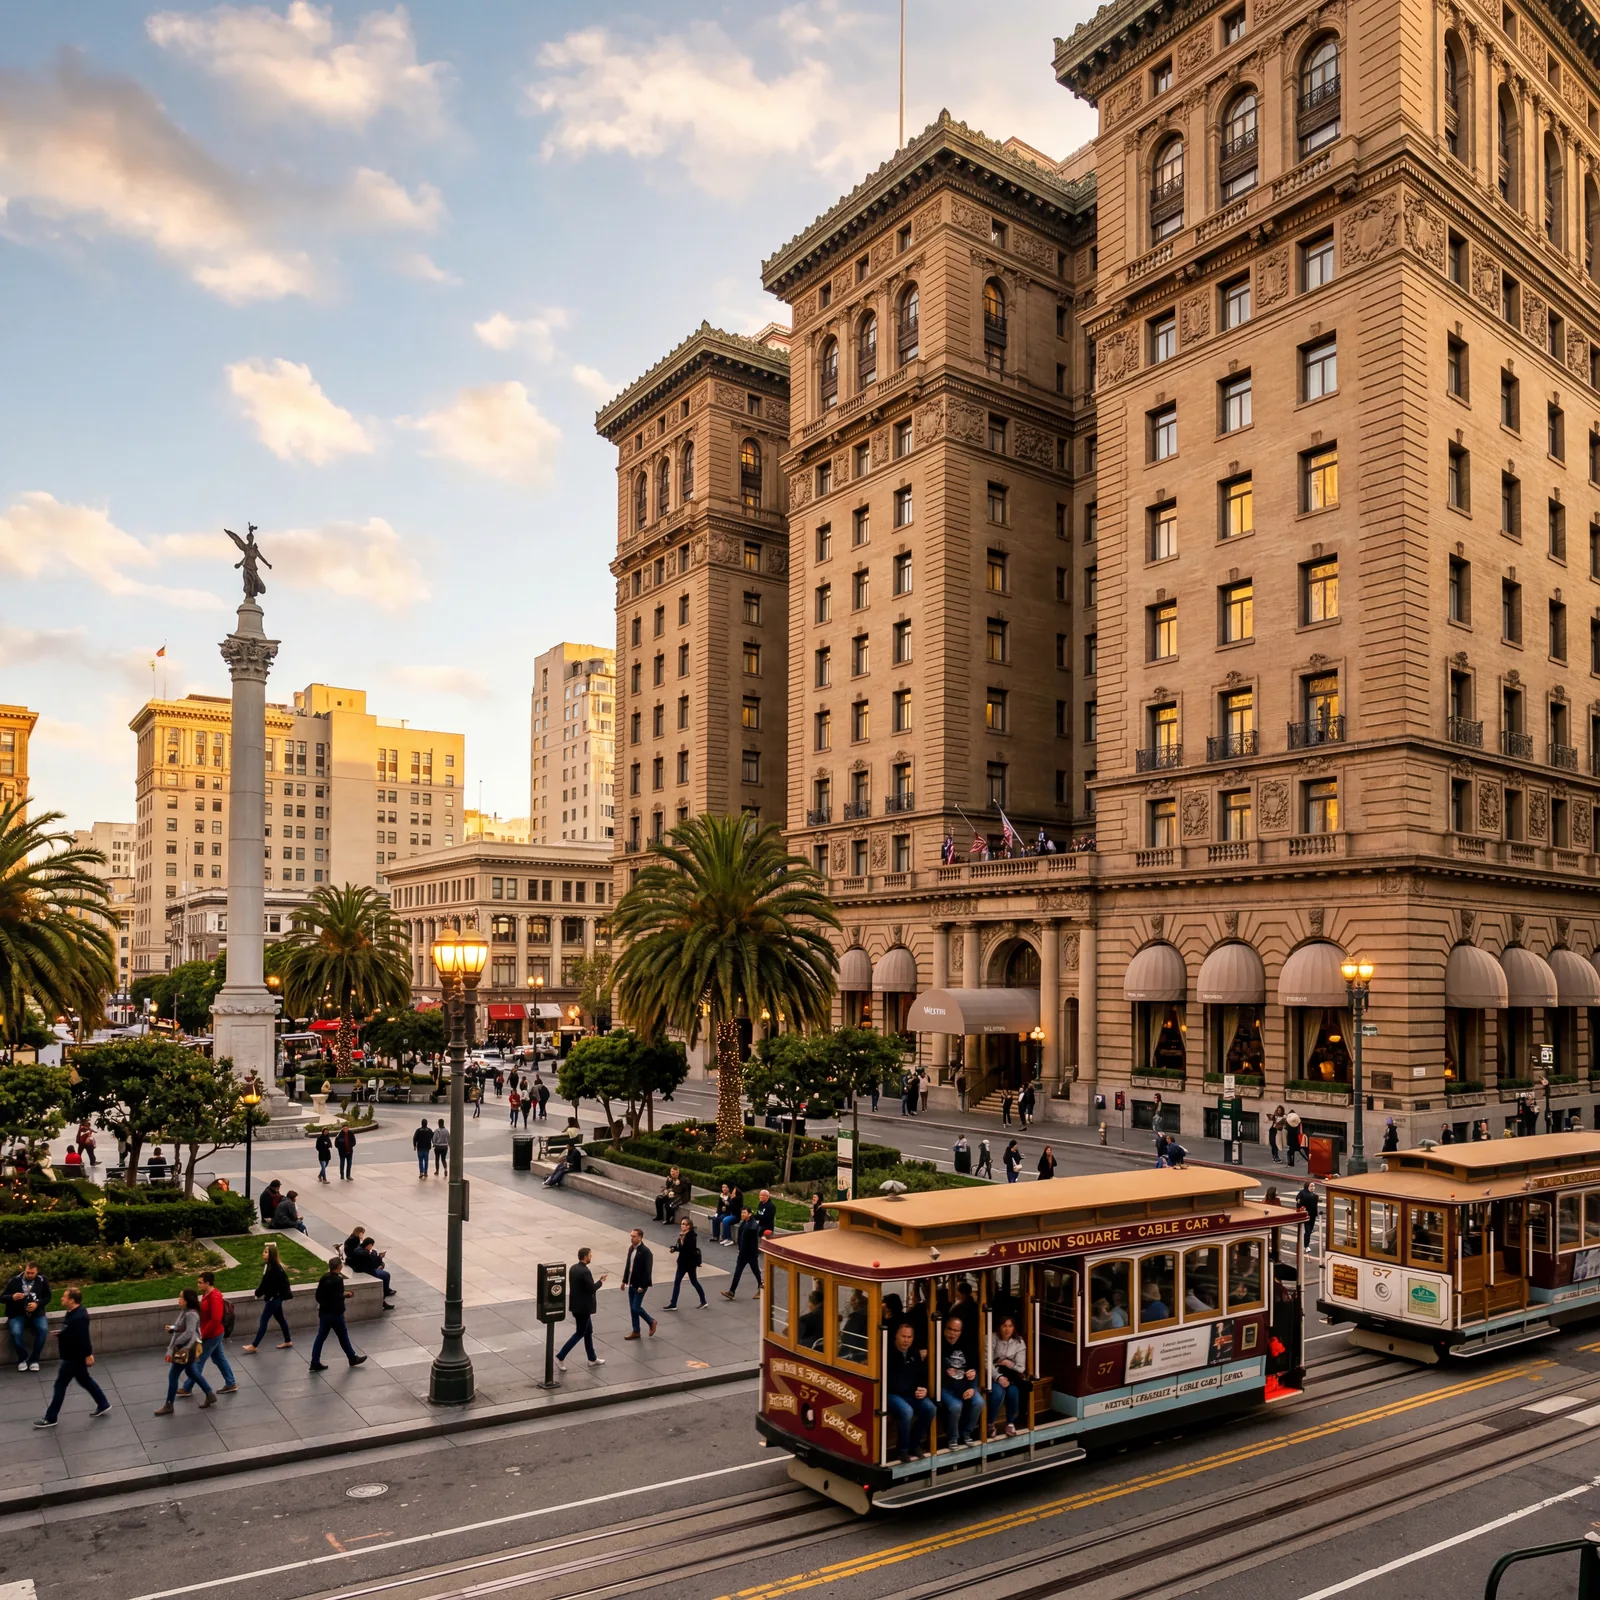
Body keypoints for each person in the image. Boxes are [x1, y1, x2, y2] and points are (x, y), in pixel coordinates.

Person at [33, 1287, 110, 1428]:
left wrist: (88, 1355)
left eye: (64, 1296)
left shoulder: (79, 1317)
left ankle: (51, 1417)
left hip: (73, 1357)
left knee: (60, 1384)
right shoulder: (72, 1312)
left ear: (72, 1300)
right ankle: (103, 1403)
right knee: (84, 1379)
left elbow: (84, 1339)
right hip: (73, 1355)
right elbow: (73, 1333)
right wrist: (62, 1334)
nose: (61, 1298)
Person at [152, 1288, 213, 1415]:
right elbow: (182, 1327)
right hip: (188, 1349)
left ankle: (169, 1405)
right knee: (192, 1372)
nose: (179, 1299)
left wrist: (176, 1344)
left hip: (185, 1349)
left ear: (188, 1300)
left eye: (181, 1297)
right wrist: (173, 1328)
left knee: (173, 1375)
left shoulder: (190, 1314)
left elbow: (189, 1332)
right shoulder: (186, 1312)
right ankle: (209, 1394)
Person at [178, 1270, 237, 1397]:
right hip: (212, 1333)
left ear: (207, 1283)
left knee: (198, 1362)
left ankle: (187, 1387)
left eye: (200, 1283)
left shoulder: (215, 1297)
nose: (198, 1285)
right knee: (219, 1359)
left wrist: (203, 1335)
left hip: (212, 1335)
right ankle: (231, 1383)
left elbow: (215, 1319)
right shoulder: (207, 1294)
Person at [886, 1322, 935, 1460]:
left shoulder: (914, 1352)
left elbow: (921, 1374)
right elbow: (889, 1381)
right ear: (896, 1336)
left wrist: (923, 1389)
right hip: (892, 1394)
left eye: (909, 1337)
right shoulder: (887, 1351)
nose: (906, 1340)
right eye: (903, 1336)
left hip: (911, 1394)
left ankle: (915, 1445)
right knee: (907, 1411)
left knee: (930, 1408)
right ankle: (902, 1449)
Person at [309, 1257, 367, 1371]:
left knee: (320, 1337)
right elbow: (338, 1297)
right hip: (335, 1314)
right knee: (343, 1336)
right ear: (339, 1267)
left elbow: (319, 1296)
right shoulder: (338, 1280)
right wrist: (347, 1295)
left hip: (324, 1313)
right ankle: (352, 1358)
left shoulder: (324, 1278)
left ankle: (314, 1361)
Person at [556, 1247, 606, 1369]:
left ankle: (592, 1358)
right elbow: (592, 1288)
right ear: (585, 1257)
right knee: (580, 1333)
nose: (591, 1257)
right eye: (590, 1255)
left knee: (588, 1331)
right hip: (584, 1308)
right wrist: (601, 1281)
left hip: (576, 1306)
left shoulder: (573, 1268)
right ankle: (560, 1356)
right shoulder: (585, 1271)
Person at [938, 1316, 983, 1448]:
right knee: (956, 1406)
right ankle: (953, 1438)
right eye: (950, 1329)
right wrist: (945, 1373)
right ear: (945, 1329)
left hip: (965, 1385)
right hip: (946, 1387)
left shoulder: (967, 1345)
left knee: (979, 1402)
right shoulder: (938, 1344)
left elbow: (974, 1370)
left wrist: (972, 1388)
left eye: (956, 1331)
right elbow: (935, 1372)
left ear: (961, 1332)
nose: (952, 1333)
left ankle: (967, 1434)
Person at [242, 1241, 294, 1353]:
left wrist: (258, 1293)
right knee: (280, 1319)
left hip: (273, 1299)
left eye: (265, 1252)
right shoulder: (273, 1267)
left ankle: (254, 1345)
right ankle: (288, 1340)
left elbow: (265, 1284)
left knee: (264, 1321)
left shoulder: (273, 1269)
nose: (263, 1254)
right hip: (277, 1298)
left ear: (271, 1254)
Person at [988, 1314, 1028, 1437]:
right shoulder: (991, 1338)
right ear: (999, 1327)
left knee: (1013, 1392)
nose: (1007, 1329)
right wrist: (998, 1377)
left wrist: (1007, 1363)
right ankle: (989, 1424)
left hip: (1011, 1375)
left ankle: (1010, 1424)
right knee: (997, 1393)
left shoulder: (1019, 1342)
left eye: (1010, 1326)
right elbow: (987, 1362)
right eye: (1004, 1326)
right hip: (993, 1374)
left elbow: (1021, 1368)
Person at [6, 1263, 50, 1371]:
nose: (29, 1275)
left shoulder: (42, 1280)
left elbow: (48, 1297)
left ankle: (34, 1359)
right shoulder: (15, 1281)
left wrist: (37, 1304)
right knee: (16, 1332)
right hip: (17, 1314)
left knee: (43, 1329)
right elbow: (2, 1297)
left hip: (36, 1313)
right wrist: (12, 1297)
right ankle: (23, 1358)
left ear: (37, 1272)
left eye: (32, 1273)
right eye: (27, 1272)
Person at [343, 1227, 395, 1305]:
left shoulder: (360, 1249)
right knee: (386, 1275)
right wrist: (380, 1258)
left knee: (384, 1274)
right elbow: (373, 1263)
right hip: (366, 1270)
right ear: (369, 1245)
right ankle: (384, 1293)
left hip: (361, 1267)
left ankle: (386, 1290)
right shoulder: (363, 1252)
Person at [621, 1227, 657, 1339]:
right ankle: (636, 1331)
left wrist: (643, 1285)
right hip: (631, 1283)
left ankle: (651, 1322)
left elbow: (648, 1271)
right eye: (631, 1236)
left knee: (636, 1307)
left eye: (634, 1236)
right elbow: (628, 1266)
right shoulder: (631, 1249)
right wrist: (624, 1280)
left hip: (640, 1285)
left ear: (640, 1237)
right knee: (632, 1308)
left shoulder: (646, 1252)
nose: (631, 1238)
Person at [664, 1217, 706, 1310]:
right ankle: (673, 1304)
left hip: (689, 1264)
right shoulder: (681, 1234)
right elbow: (680, 1247)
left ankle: (703, 1301)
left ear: (689, 1226)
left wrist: (682, 1241)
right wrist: (674, 1248)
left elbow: (689, 1249)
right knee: (677, 1283)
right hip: (682, 1263)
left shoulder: (692, 1236)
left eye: (684, 1224)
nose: (682, 1226)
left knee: (694, 1282)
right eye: (682, 1224)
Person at [722, 1208, 764, 1298]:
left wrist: (742, 1251)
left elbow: (749, 1241)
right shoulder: (744, 1223)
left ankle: (762, 1288)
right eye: (741, 1212)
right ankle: (732, 1291)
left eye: (744, 1213)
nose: (742, 1214)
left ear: (750, 1214)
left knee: (755, 1271)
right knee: (738, 1271)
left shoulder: (752, 1226)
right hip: (744, 1253)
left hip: (750, 1254)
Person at [796, 1283, 825, 1350]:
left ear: (811, 1304)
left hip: (808, 1350)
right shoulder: (830, 1317)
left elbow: (791, 1335)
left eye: (809, 1302)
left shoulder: (804, 1319)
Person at [1296, 1180, 1319, 1248]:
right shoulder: (1302, 1193)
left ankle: (1305, 1242)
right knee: (1308, 1231)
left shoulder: (1314, 1195)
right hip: (1306, 1215)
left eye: (1314, 1186)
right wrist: (1301, 1209)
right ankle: (1306, 1245)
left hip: (1313, 1215)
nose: (1313, 1188)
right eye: (1311, 1186)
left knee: (1310, 1230)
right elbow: (1298, 1201)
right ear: (1307, 1186)